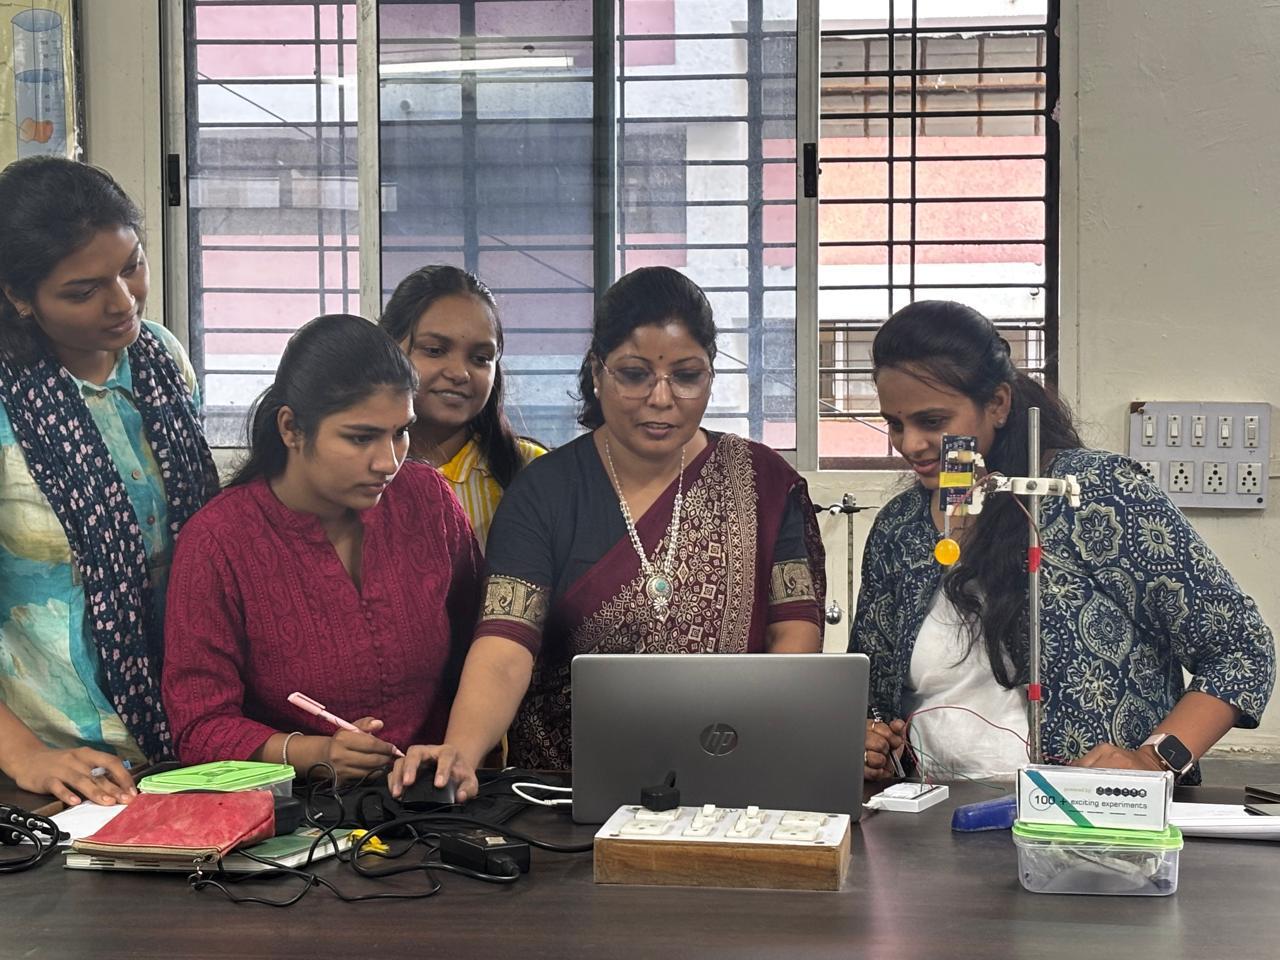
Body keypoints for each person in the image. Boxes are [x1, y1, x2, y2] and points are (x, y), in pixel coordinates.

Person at [388, 265, 826, 801]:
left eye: (686, 376)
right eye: (635, 375)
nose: (661, 398)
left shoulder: (763, 483)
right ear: (598, 371)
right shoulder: (543, 491)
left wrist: (757, 752)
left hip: (734, 782)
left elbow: (794, 639)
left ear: (710, 374)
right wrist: (461, 750)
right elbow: (505, 645)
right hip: (564, 795)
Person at [853, 300, 1275, 783]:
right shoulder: (899, 529)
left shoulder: (1095, 494)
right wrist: (869, 741)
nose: (909, 444)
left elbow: (1241, 649)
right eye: (895, 424)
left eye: (932, 421)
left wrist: (1154, 760)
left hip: (1092, 814)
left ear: (998, 404)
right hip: (928, 813)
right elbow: (869, 694)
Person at [162, 315, 482, 782]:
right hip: (297, 811)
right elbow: (199, 727)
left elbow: (483, 646)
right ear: (291, 428)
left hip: (436, 795)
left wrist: (456, 750)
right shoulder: (218, 543)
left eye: (400, 432)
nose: (388, 462)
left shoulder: (427, 500)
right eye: (361, 437)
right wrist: (312, 753)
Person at [0, 157, 219, 806]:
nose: (123, 302)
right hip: (53, 764)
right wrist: (26, 756)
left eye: (132, 266)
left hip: (189, 737)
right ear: (19, 296)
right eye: (83, 290)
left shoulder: (161, 357)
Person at [378, 265, 546, 548]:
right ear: (387, 349)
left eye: (480, 358)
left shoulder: (534, 472)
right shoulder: (353, 468)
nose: (459, 373)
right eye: (435, 350)